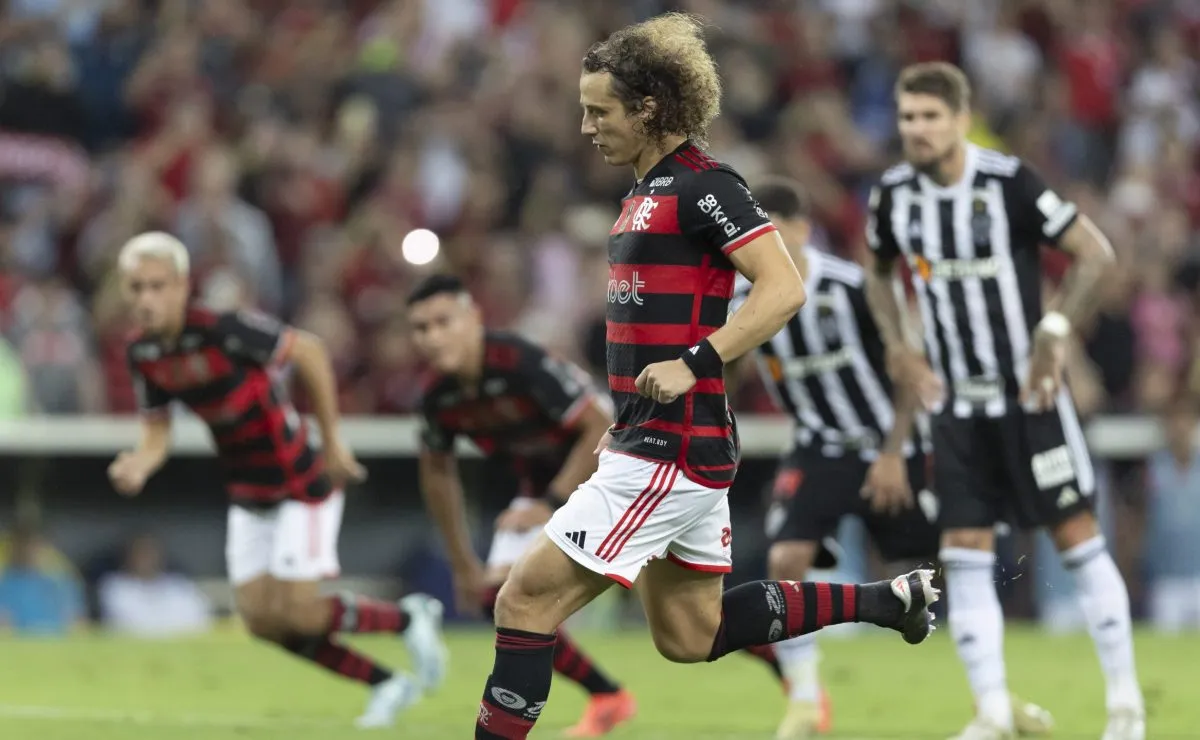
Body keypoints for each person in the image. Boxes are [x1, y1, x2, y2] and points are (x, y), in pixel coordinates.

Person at [473, 15, 939, 740]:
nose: (587, 126)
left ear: (649, 109)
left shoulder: (703, 184)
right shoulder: (643, 190)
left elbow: (782, 286)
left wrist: (696, 363)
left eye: (601, 110)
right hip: (664, 444)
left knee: (523, 602)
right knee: (690, 635)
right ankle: (888, 601)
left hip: (665, 449)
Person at [864, 63, 1144, 740]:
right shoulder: (894, 196)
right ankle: (992, 712)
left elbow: (1094, 253)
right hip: (957, 406)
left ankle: (1126, 710)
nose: (918, 130)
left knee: (1076, 538)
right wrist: (900, 344)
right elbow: (877, 273)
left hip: (1030, 398)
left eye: (931, 117)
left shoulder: (1007, 182)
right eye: (908, 118)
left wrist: (1054, 329)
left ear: (961, 119)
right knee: (962, 550)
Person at [736, 178, 1052, 740]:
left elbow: (906, 366)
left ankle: (999, 701)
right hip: (818, 447)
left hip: (891, 446)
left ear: (803, 231)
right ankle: (806, 702)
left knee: (954, 568)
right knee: (785, 559)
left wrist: (891, 452)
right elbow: (727, 368)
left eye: (775, 233)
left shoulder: (848, 287)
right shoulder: (742, 303)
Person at [106, 231, 447, 729]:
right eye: (135, 288)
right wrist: (141, 460)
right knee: (264, 622)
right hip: (247, 490)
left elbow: (308, 352)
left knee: (301, 612)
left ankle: (407, 618)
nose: (146, 299)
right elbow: (156, 431)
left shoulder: (222, 329)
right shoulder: (142, 353)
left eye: (157, 286)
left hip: (298, 479)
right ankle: (385, 682)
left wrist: (332, 441)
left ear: (181, 286)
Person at [408, 273, 637, 737]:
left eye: (443, 322)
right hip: (543, 488)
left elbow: (597, 427)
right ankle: (608, 695)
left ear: (473, 318)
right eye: (421, 328)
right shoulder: (438, 398)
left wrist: (550, 503)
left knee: (691, 623)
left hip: (619, 473)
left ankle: (797, 680)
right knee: (500, 595)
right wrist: (462, 564)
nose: (433, 337)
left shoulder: (519, 361)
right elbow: (437, 473)